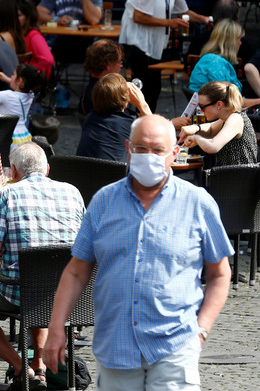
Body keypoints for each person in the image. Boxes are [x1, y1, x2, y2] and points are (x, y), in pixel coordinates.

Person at [43, 115, 233, 390]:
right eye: (141, 148)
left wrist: (200, 331)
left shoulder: (197, 203)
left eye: (157, 149)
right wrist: (56, 327)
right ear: (128, 148)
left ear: (174, 153)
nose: (148, 156)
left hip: (175, 345)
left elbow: (219, 273)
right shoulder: (104, 201)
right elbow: (75, 271)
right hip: (116, 347)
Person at [0, 142, 85, 389]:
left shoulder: (5, 194)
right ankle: (39, 365)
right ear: (46, 169)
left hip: (19, 291)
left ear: (13, 171)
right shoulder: (72, 192)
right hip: (69, 293)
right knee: (41, 284)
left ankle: (20, 367)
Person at [121, 0, 211, 108]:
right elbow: (138, 16)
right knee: (147, 89)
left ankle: (147, 124)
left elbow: (184, 11)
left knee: (154, 89)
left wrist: (204, 19)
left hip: (154, 43)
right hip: (138, 42)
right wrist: (169, 23)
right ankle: (141, 126)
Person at [190, 19, 260, 106]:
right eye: (239, 39)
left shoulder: (212, 60)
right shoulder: (215, 63)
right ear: (231, 42)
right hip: (211, 116)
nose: (241, 43)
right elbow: (230, 101)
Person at [178, 81, 258, 167]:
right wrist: (195, 128)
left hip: (240, 177)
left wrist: (197, 139)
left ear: (219, 104)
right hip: (230, 175)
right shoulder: (226, 118)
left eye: (202, 107)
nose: (201, 111)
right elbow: (211, 128)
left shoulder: (235, 118)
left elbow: (213, 147)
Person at [76, 73, 152, 162]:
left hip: (83, 173)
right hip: (116, 175)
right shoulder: (130, 123)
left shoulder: (90, 118)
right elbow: (157, 133)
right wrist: (142, 104)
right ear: (124, 100)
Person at [79, 39, 125, 116]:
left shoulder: (88, 92)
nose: (121, 65)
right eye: (119, 61)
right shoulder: (106, 97)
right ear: (108, 63)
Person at [15, 0, 55, 79]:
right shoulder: (19, 34)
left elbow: (48, 60)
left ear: (28, 17)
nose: (15, 18)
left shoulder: (34, 36)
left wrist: (28, 71)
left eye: (19, 15)